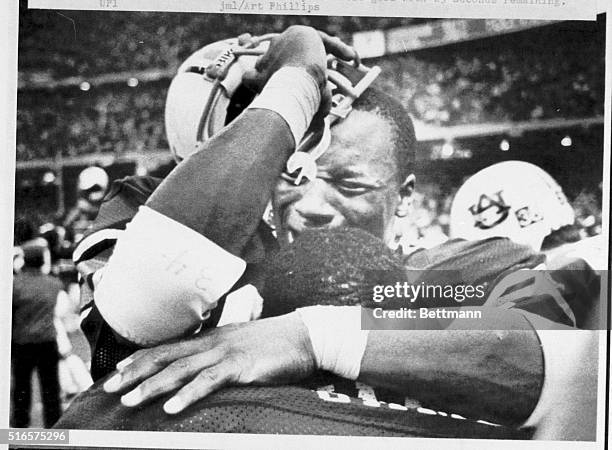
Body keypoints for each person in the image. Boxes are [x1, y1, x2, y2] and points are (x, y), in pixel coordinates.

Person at [69, 27, 599, 439]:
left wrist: (313, 337)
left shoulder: (468, 270)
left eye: (348, 182)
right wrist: (296, 80)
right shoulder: (206, 260)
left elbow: (577, 369)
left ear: (407, 196)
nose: (313, 204)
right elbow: (147, 297)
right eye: (291, 176)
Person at [11, 239, 67, 428]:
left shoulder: (15, 285)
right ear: (42, 260)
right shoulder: (53, 284)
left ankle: (20, 425)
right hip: (47, 341)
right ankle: (54, 426)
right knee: (51, 388)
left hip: (22, 341)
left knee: (21, 388)